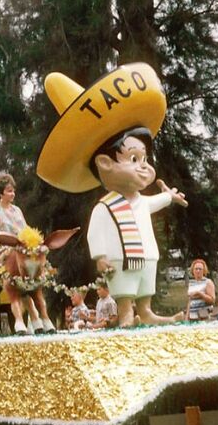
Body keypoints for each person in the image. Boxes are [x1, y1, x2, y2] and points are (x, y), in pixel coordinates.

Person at [36, 64, 188, 328]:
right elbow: (96, 233)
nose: (144, 166)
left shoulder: (140, 201)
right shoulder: (105, 206)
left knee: (145, 285)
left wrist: (169, 197)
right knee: (126, 288)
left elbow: (152, 203)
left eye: (144, 159)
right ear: (105, 164)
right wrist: (100, 257)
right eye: (134, 159)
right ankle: (126, 314)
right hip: (121, 257)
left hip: (147, 253)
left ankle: (147, 312)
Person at [0, 172, 32, 335]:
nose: (13, 194)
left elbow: (26, 230)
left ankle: (35, 318)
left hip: (20, 250)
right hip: (3, 253)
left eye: (13, 191)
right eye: (9, 191)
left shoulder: (17, 210)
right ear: (1, 193)